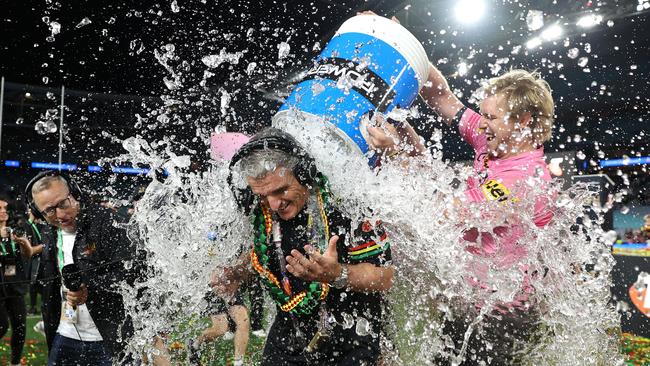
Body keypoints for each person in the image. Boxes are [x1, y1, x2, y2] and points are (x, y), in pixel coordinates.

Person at [369, 63, 556, 364]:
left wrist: (399, 155)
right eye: (483, 114)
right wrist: (409, 51)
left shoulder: (522, 179)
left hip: (501, 316)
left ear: (522, 121)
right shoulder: (492, 140)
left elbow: (442, 213)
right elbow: (444, 98)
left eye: (491, 117)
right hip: (471, 302)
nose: (481, 124)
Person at [218, 128, 394, 365]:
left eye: (281, 190)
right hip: (287, 341)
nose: (273, 204)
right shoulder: (261, 215)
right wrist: (238, 273)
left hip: (352, 343)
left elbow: (384, 277)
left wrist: (336, 274)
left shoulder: (350, 208)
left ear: (304, 173)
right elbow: (264, 257)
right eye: (262, 195)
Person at [25, 171, 140, 364]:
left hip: (109, 338)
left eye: (63, 203)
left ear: (75, 193)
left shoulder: (108, 223)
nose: (60, 215)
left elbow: (132, 271)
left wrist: (90, 286)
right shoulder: (49, 233)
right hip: (65, 333)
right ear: (39, 213)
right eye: (49, 211)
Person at [0, 194, 34, 366]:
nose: (3, 212)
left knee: (20, 327)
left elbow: (27, 255)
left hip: (15, 285)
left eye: (5, 209)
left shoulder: (15, 231)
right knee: (1, 326)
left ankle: (15, 363)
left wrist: (23, 243)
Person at [187, 285, 250, 366]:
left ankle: (238, 362)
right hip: (216, 287)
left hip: (231, 286)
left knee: (243, 322)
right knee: (220, 329)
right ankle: (195, 344)